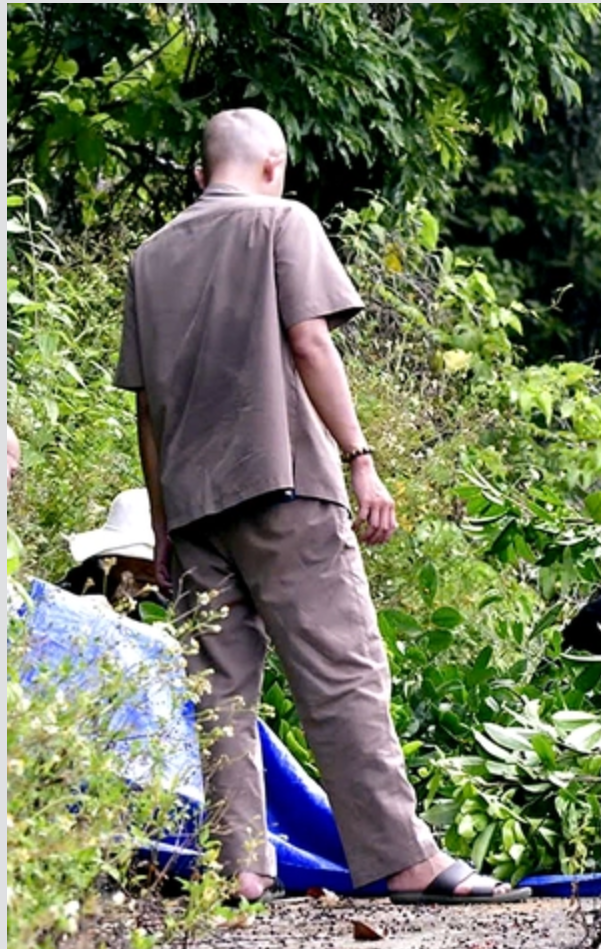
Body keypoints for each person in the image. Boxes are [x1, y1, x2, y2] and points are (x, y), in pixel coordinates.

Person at [115, 107, 526, 904]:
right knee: (342, 671)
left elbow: (147, 410)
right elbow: (309, 341)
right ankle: (403, 859)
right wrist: (360, 458)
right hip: (286, 484)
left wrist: (163, 524)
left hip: (196, 510)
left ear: (202, 173)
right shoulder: (283, 220)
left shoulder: (148, 257)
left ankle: (237, 869)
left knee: (219, 694)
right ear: (274, 164)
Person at [59, 488, 167, 619]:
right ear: (113, 557)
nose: (152, 570)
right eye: (143, 560)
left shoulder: (161, 606)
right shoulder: (80, 583)